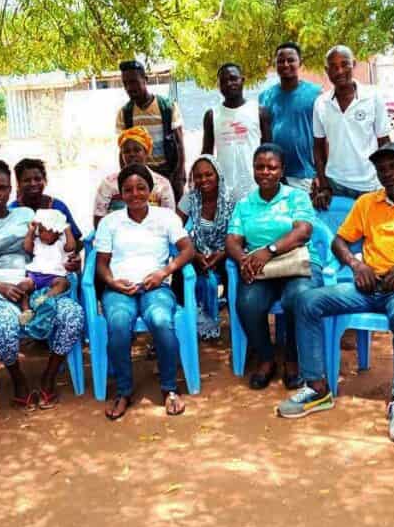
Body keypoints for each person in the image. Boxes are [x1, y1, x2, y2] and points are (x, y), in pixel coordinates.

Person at [278, 144, 394, 442]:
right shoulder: (367, 202)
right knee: (307, 301)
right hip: (370, 285)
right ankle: (317, 388)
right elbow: (340, 241)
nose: (388, 174)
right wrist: (355, 265)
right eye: (381, 169)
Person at [0, 159, 85, 410]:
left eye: (2, 188)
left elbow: (52, 243)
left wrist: (69, 260)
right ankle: (18, 379)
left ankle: (48, 377)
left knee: (73, 315)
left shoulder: (25, 215)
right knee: (2, 325)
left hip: (37, 284)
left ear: (10, 189)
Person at [95, 163, 195, 420]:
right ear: (121, 194)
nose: (135, 194)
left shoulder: (165, 217)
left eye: (141, 188)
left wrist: (164, 272)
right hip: (120, 289)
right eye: (128, 190)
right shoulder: (110, 222)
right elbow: (102, 265)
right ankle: (123, 391)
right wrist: (113, 283)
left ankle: (170, 388)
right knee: (117, 323)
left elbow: (187, 249)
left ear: (150, 190)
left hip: (156, 286)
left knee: (161, 320)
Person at [225, 143, 322, 390]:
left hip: (295, 262)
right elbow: (232, 241)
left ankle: (292, 359)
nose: (265, 172)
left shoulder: (296, 196)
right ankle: (266, 357)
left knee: (298, 298)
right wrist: (243, 260)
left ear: (282, 170)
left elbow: (303, 231)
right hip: (261, 268)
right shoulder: (244, 204)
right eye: (260, 167)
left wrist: (269, 251)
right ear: (253, 170)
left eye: (272, 167)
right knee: (247, 304)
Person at [311, 45, 392, 209]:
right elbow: (318, 148)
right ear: (327, 71)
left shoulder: (373, 97)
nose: (339, 71)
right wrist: (325, 186)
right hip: (336, 184)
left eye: (344, 64)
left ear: (353, 64)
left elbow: (384, 142)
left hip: (370, 185)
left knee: (370, 233)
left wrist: (387, 180)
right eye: (333, 67)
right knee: (342, 233)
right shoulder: (321, 103)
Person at [176, 154, 236, 340]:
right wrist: (193, 254)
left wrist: (222, 253)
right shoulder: (189, 199)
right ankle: (183, 324)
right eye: (198, 176)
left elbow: (238, 233)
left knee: (235, 273)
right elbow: (175, 229)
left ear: (217, 175)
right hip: (197, 252)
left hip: (226, 252)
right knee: (180, 274)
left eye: (208, 175)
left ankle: (237, 326)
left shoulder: (230, 199)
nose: (203, 180)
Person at [257, 42, 322, 193]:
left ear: (300, 62)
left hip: (306, 175)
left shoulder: (316, 94)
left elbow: (324, 139)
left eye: (291, 60)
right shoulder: (265, 97)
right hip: (275, 175)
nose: (285, 64)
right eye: (280, 61)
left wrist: (321, 175)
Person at [201, 63, 272, 200]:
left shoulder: (259, 111)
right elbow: (207, 153)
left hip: (256, 187)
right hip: (225, 190)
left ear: (242, 80)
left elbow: (269, 151)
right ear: (219, 85)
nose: (229, 83)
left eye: (233, 78)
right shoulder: (212, 115)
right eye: (224, 81)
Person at [117, 60, 186, 200]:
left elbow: (179, 144)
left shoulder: (167, 107)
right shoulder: (125, 113)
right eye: (125, 84)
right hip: (140, 175)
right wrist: (124, 176)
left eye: (134, 82)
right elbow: (123, 150)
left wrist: (179, 176)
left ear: (145, 80)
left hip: (168, 172)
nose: (130, 87)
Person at [93, 127, 176, 227]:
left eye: (137, 150)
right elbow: (99, 218)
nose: (132, 154)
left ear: (146, 153)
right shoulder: (108, 183)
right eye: (127, 151)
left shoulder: (162, 184)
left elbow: (169, 219)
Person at [20, 208, 77, 324]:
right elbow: (27, 247)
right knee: (23, 286)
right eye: (40, 231)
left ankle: (45, 298)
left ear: (57, 231)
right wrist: (31, 231)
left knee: (63, 283)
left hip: (54, 277)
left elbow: (71, 246)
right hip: (35, 275)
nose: (42, 234)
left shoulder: (61, 244)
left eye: (47, 231)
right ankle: (26, 311)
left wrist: (66, 229)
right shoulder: (37, 242)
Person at [10, 157, 84, 242]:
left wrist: (72, 252)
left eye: (37, 179)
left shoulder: (58, 207)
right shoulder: (13, 210)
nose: (33, 183)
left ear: (45, 180)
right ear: (18, 184)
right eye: (27, 180)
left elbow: (77, 240)